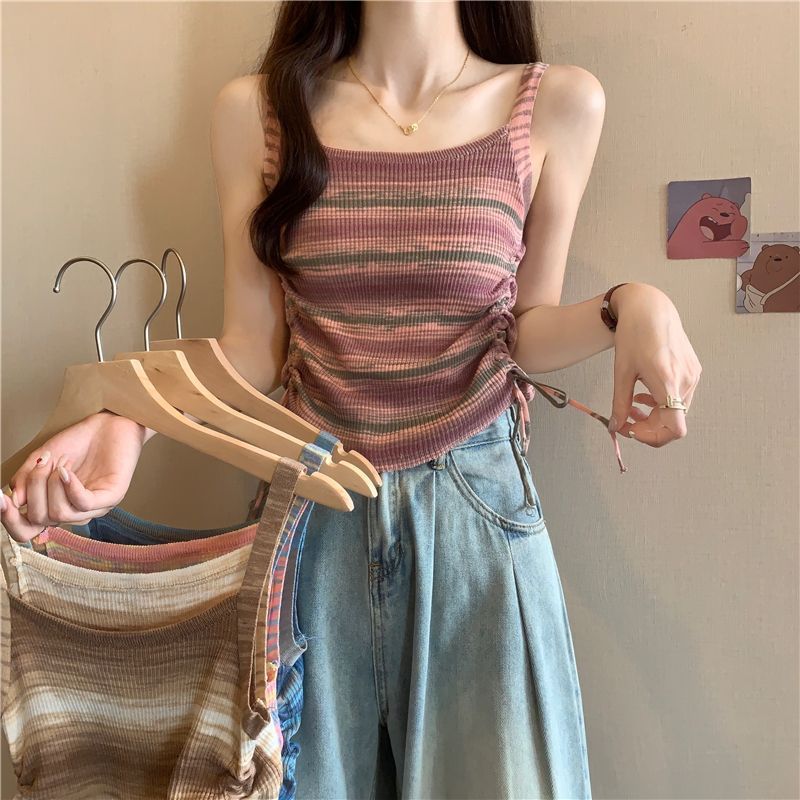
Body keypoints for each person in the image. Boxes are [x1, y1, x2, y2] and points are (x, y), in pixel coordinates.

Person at [1, 1, 702, 797]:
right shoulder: (258, 113)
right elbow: (254, 349)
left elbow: (522, 328)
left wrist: (630, 306)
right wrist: (126, 417)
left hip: (475, 523)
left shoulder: (556, 104)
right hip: (310, 523)